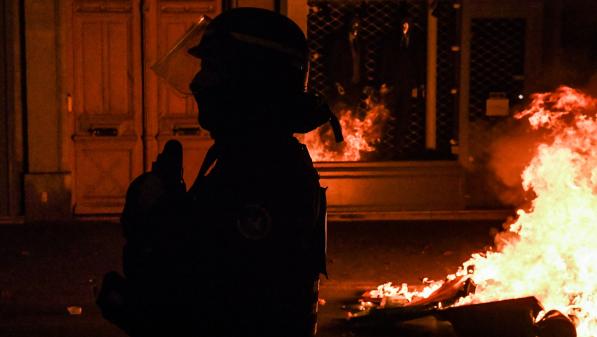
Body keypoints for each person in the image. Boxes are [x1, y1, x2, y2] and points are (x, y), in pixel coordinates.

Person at [185, 7, 340, 337]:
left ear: (249, 80)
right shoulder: (247, 155)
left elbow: (226, 298)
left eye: (211, 69)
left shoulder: (265, 173)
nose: (197, 82)